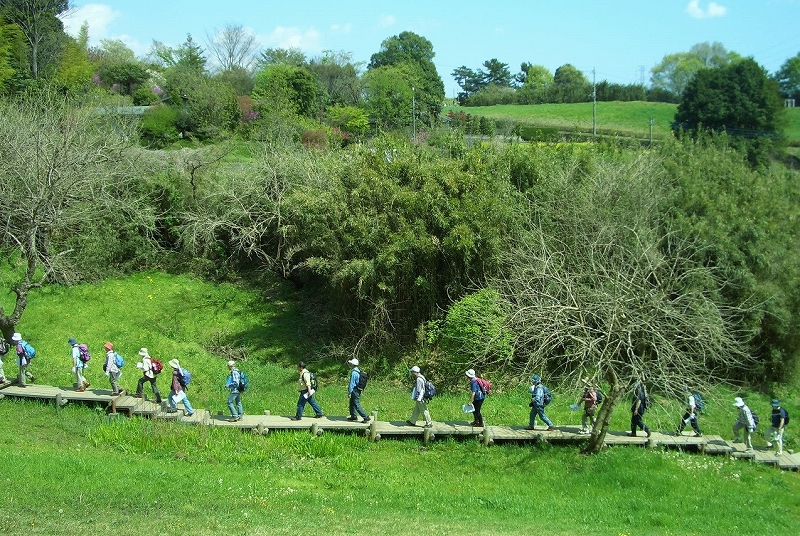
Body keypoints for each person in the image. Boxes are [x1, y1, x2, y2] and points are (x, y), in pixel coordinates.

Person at [346, 358, 370, 423]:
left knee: (356, 404)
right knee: (352, 403)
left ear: (353, 365)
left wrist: (349, 392)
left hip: (354, 390)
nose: (350, 364)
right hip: (358, 390)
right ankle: (353, 416)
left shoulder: (354, 373)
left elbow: (352, 384)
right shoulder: (358, 371)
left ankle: (366, 417)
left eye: (351, 363)